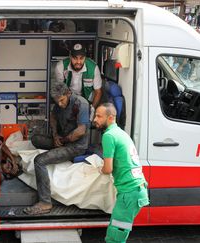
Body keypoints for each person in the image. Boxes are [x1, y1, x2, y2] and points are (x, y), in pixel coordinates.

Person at [23, 83, 90, 215]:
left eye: (61, 100)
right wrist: (55, 135)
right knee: (35, 139)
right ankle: (57, 142)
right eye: (57, 101)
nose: (59, 104)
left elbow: (81, 131)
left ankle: (45, 202)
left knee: (39, 160)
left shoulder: (81, 104)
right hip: (61, 139)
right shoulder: (59, 103)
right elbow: (53, 117)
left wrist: (62, 140)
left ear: (68, 94)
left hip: (75, 146)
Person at [93, 103, 149, 243]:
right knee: (116, 230)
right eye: (95, 115)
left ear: (110, 118)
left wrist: (100, 169)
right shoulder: (121, 133)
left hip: (129, 194)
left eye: (99, 116)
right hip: (137, 190)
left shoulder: (109, 136)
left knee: (115, 236)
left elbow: (108, 169)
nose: (95, 119)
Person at [54, 42, 103, 120]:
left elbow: (98, 91)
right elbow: (60, 90)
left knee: (83, 123)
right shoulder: (61, 66)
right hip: (68, 97)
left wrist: (92, 108)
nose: (78, 62)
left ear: (85, 57)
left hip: (87, 100)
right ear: (70, 57)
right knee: (60, 115)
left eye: (81, 58)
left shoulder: (93, 68)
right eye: (75, 58)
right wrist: (66, 104)